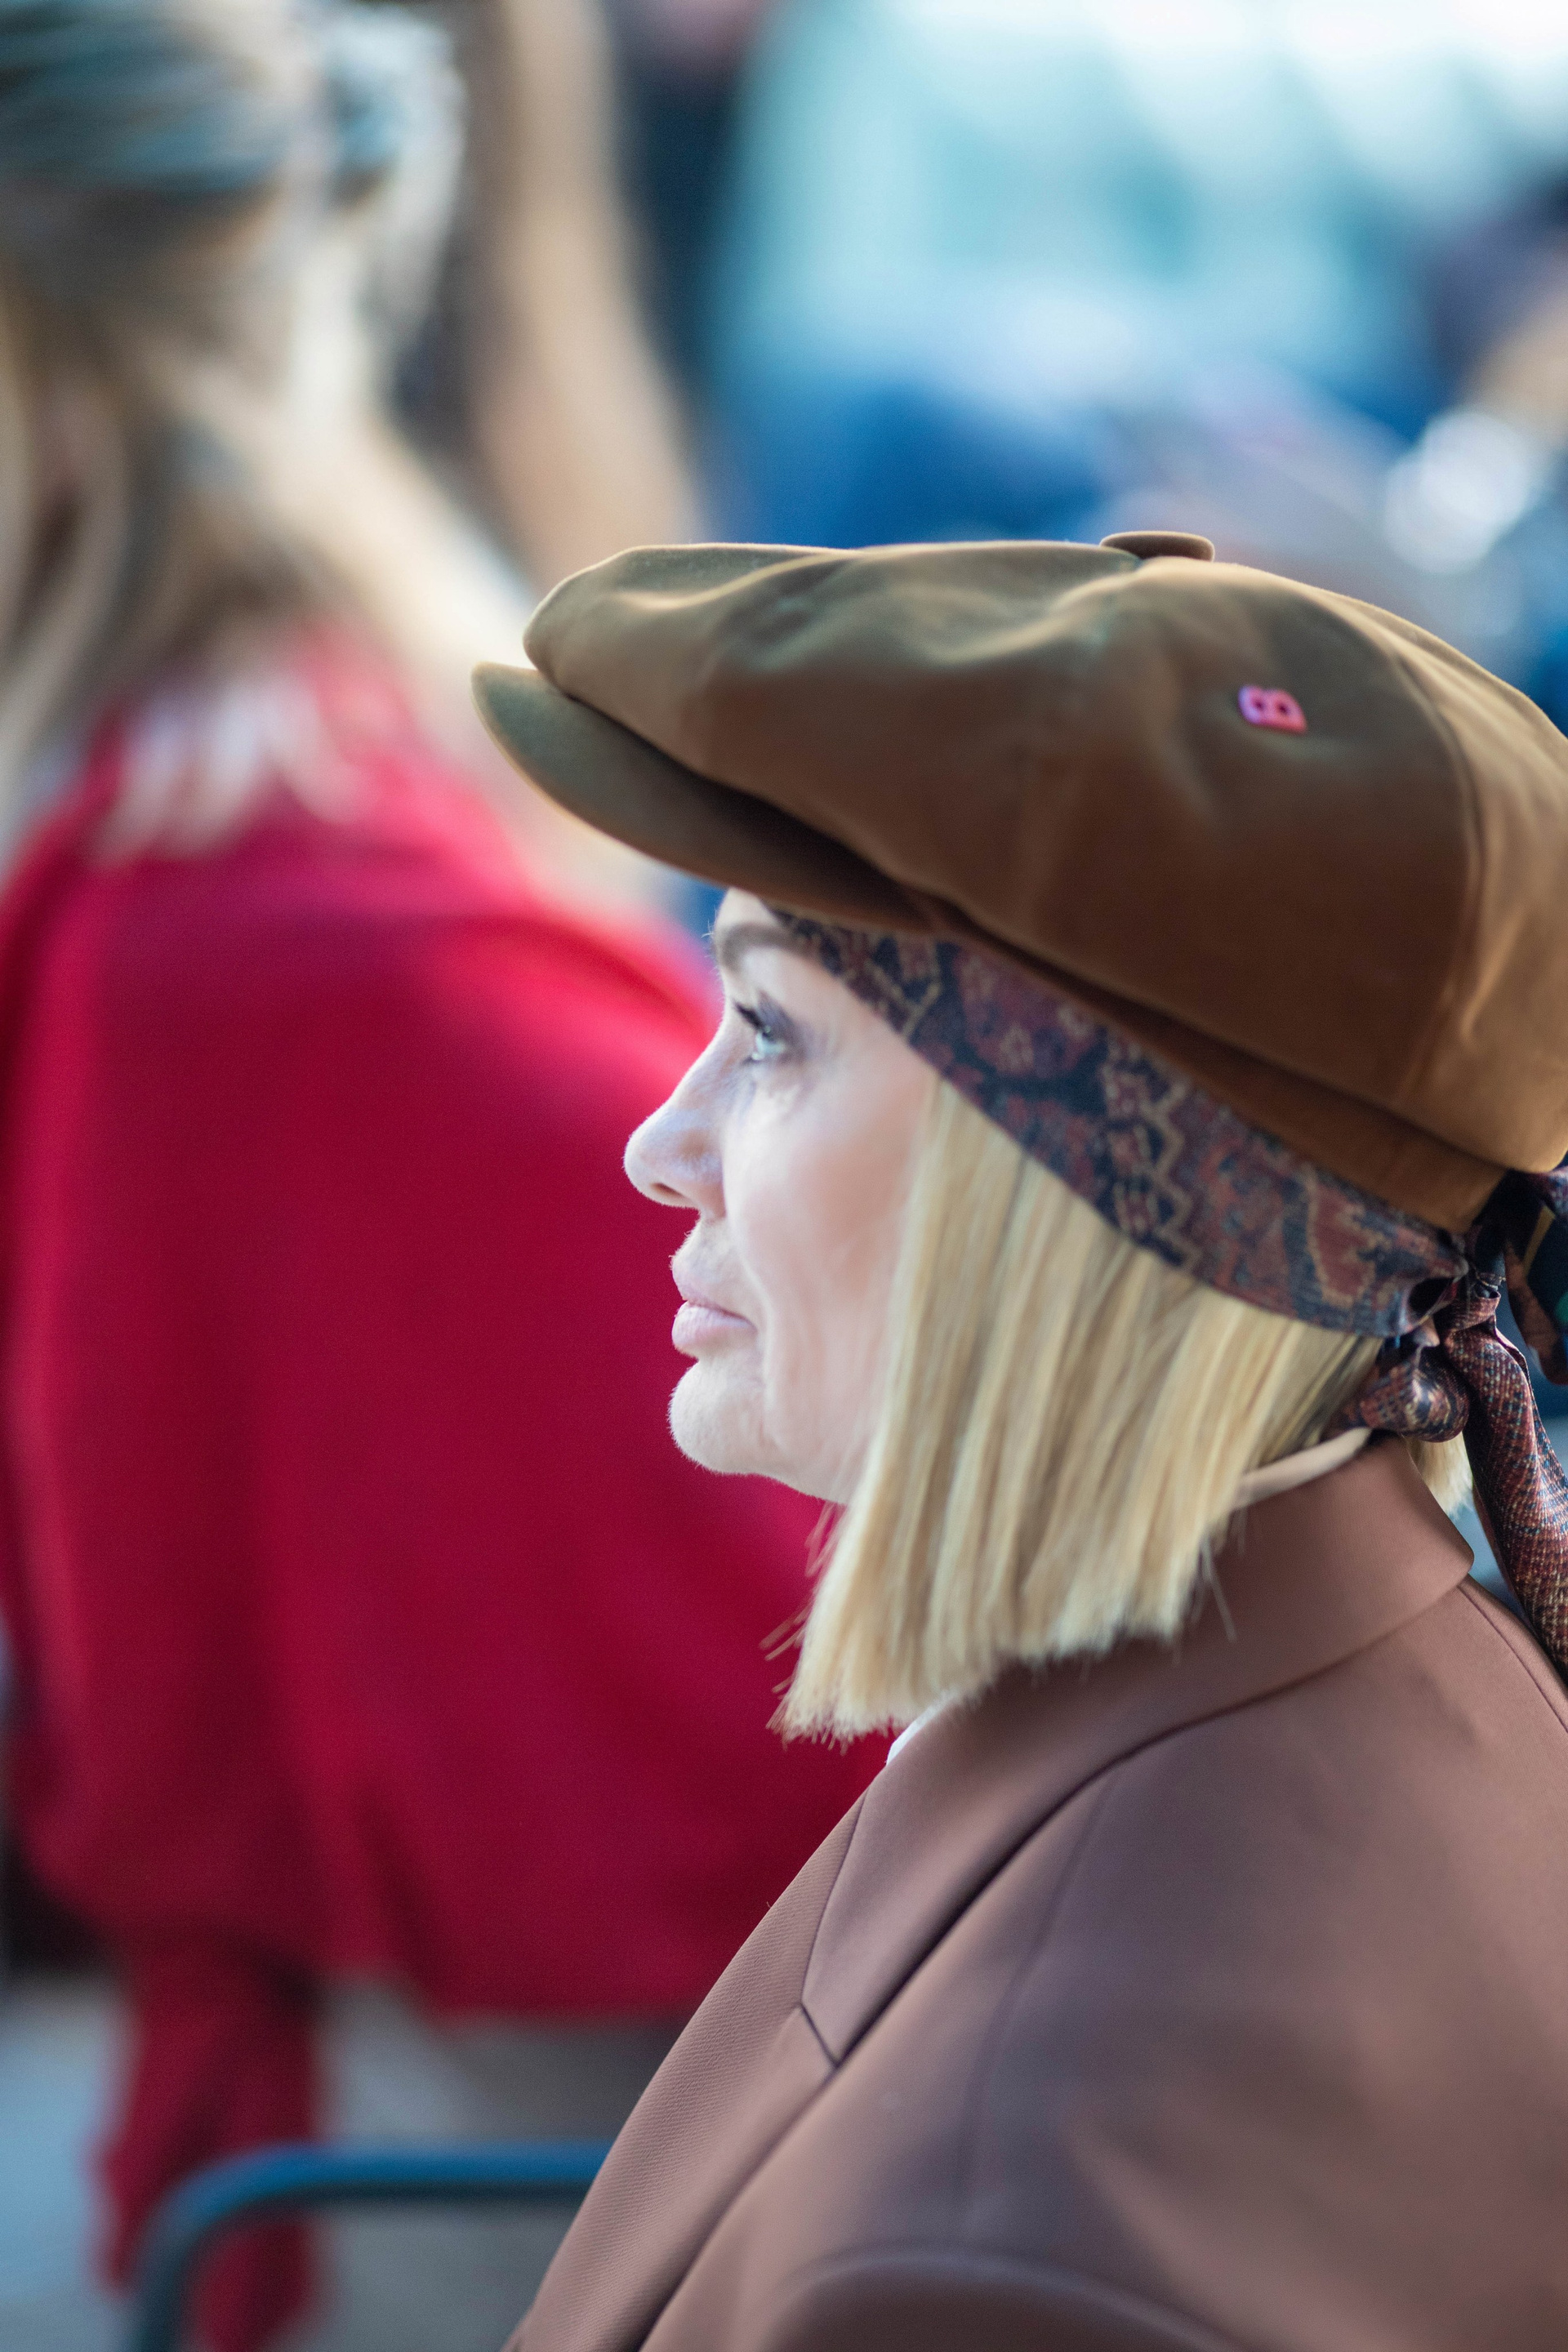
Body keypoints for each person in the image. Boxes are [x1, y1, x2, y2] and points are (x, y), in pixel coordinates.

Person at [0, 8, 878, 2350]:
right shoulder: (260, 793)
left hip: (547, 2102)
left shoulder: (256, 919)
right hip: (438, 2040)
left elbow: (793, 1657)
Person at [474, 525, 1568, 2349]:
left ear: (1069, 1196)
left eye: (769, 1033)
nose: (661, 1146)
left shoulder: (1014, 2248)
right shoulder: (1340, 1655)